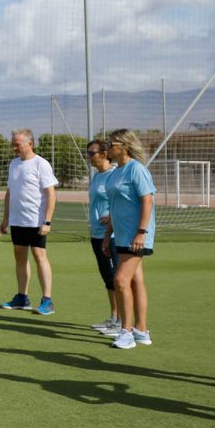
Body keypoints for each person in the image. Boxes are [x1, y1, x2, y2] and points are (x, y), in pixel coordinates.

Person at [99, 129, 155, 349]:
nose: (106, 148)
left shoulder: (136, 169)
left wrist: (141, 232)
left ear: (123, 145)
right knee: (134, 280)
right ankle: (141, 331)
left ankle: (126, 332)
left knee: (120, 280)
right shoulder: (115, 172)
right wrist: (107, 234)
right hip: (120, 234)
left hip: (136, 236)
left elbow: (147, 201)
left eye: (110, 144)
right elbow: (114, 206)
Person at [0, 128, 58, 313]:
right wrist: (6, 218)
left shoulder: (41, 164)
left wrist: (47, 221)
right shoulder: (13, 164)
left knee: (40, 256)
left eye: (17, 144)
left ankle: (47, 300)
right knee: (19, 256)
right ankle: (22, 297)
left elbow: (51, 195)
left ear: (30, 144)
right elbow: (9, 192)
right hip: (18, 221)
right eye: (13, 143)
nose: (13, 147)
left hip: (36, 221)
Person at [84, 139, 120, 332]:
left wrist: (112, 217)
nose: (89, 157)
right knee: (107, 277)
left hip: (112, 235)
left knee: (116, 277)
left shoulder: (114, 175)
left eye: (92, 153)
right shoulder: (97, 176)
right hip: (97, 234)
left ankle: (123, 320)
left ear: (104, 154)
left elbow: (124, 201)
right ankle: (114, 317)